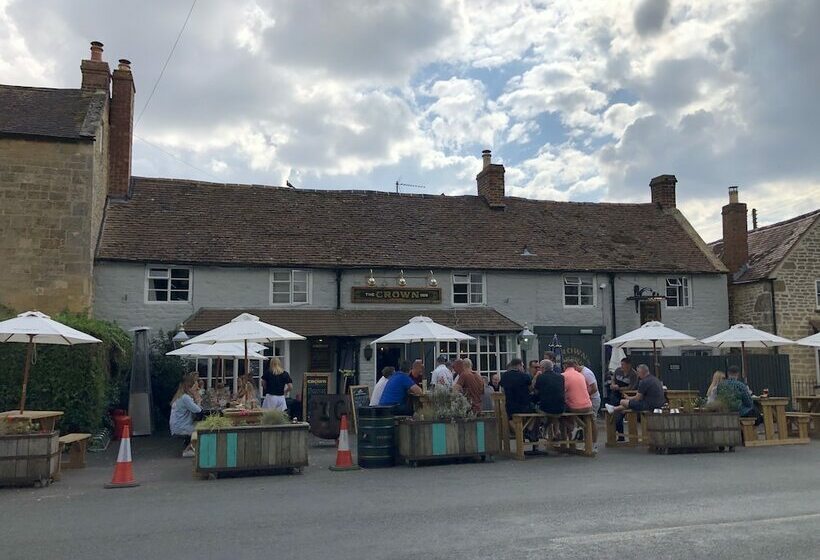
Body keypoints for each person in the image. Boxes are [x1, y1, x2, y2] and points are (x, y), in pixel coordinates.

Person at [605, 364, 665, 438]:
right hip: (659, 404)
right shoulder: (655, 379)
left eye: (638, 372)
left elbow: (637, 398)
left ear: (641, 372)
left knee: (622, 402)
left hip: (648, 405)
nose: (638, 375)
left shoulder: (644, 382)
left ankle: (614, 409)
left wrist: (628, 398)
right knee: (628, 405)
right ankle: (614, 408)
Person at [169, 372, 202, 458]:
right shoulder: (185, 398)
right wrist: (197, 399)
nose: (197, 388)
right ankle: (188, 450)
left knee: (198, 424)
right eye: (195, 387)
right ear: (190, 387)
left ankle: (190, 446)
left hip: (176, 425)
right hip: (181, 427)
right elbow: (198, 410)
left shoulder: (179, 395)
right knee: (203, 430)